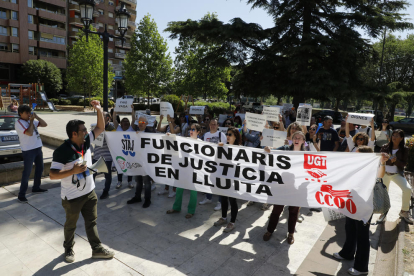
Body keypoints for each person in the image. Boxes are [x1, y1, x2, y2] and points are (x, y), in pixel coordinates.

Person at [49, 100, 114, 263]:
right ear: (74, 134)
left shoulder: (85, 142)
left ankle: (97, 249)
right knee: (71, 225)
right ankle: (68, 249)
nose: (87, 132)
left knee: (91, 222)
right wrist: (72, 171)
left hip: (89, 193)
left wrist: (99, 110)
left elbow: (100, 128)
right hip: (72, 198)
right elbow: (52, 175)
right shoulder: (62, 151)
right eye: (83, 130)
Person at [334, 147, 389, 276]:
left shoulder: (373, 167)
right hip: (352, 203)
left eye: (357, 155)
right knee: (350, 229)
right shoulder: (354, 167)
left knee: (362, 236)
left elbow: (380, 175)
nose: (354, 156)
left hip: (365, 207)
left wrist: (382, 162)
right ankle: (347, 253)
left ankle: (361, 267)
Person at [262, 131, 306, 244]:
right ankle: (269, 230)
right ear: (292, 139)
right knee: (276, 210)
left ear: (303, 141)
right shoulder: (285, 149)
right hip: (281, 186)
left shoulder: (307, 154)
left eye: (299, 138)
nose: (297, 139)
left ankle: (291, 234)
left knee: (293, 212)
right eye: (295, 137)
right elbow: (272, 150)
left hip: (296, 189)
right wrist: (268, 148)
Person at [166, 123, 201, 218]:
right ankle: (176, 207)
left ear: (198, 132)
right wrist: (170, 137)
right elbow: (174, 143)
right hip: (183, 170)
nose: (191, 131)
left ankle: (191, 211)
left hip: (193, 171)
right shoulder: (185, 140)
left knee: (193, 192)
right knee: (179, 189)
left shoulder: (201, 143)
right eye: (190, 129)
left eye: (193, 130)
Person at [379, 129, 413, 224]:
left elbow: (404, 164)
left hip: (397, 174)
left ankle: (404, 211)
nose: (394, 137)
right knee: (384, 193)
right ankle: (383, 213)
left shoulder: (404, 149)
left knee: (407, 189)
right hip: (384, 173)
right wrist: (390, 161)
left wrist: (396, 161)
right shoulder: (385, 147)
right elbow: (380, 161)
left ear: (401, 138)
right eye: (393, 135)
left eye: (397, 136)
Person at [15, 105, 48, 203]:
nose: (29, 115)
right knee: (27, 172)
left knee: (40, 168)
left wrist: (36, 117)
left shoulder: (31, 120)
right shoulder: (19, 123)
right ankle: (21, 194)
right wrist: (32, 121)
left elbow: (45, 124)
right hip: (28, 150)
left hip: (38, 147)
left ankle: (36, 187)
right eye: (26, 113)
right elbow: (29, 133)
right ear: (21, 113)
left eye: (29, 112)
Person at [214, 126, 242, 232]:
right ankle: (224, 218)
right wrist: (219, 149)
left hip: (233, 178)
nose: (228, 136)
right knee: (223, 199)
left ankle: (232, 222)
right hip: (223, 176)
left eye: (230, 134)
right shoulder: (223, 146)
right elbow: (216, 160)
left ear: (235, 136)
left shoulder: (240, 148)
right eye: (227, 134)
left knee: (232, 200)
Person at [126, 116, 154, 208]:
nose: (140, 124)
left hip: (146, 162)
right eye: (139, 122)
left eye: (143, 122)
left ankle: (147, 200)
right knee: (138, 181)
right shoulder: (134, 134)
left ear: (146, 123)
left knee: (146, 182)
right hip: (137, 161)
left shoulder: (151, 134)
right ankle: (137, 197)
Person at [199, 119, 226, 210]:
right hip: (208, 162)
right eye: (211, 124)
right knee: (208, 181)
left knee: (219, 183)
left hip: (218, 162)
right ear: (209, 125)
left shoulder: (221, 135)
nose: (213, 126)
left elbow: (225, 148)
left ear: (217, 125)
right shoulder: (206, 135)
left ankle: (220, 202)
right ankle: (208, 197)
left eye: (214, 124)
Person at [92, 112, 116, 199]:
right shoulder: (96, 127)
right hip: (97, 155)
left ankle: (106, 191)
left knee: (107, 176)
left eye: (102, 116)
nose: (100, 117)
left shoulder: (111, 128)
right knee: (92, 174)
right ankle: (90, 191)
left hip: (107, 156)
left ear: (107, 118)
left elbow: (113, 141)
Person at [112, 106, 135, 189]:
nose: (126, 122)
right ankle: (119, 181)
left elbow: (134, 119)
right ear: (121, 123)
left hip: (129, 151)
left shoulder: (131, 128)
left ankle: (130, 181)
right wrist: (115, 110)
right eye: (124, 121)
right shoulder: (118, 128)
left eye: (127, 121)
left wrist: (132, 109)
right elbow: (114, 119)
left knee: (129, 167)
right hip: (120, 151)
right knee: (120, 167)